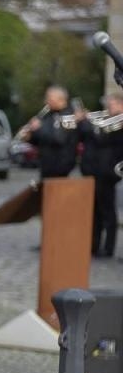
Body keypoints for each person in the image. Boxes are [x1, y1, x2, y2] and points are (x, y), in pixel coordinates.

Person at [81, 92, 121, 258]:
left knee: (108, 212)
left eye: (111, 105)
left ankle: (108, 247)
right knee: (96, 211)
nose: (108, 108)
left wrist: (86, 121)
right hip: (97, 171)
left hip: (108, 172)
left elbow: (101, 137)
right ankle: (94, 245)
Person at [23, 85, 86, 179]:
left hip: (61, 168)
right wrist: (29, 136)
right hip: (46, 166)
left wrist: (40, 128)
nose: (46, 101)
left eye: (49, 97)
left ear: (60, 99)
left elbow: (59, 138)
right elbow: (42, 139)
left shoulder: (70, 115)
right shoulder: (47, 115)